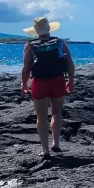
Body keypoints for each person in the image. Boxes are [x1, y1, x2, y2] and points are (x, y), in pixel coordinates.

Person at [20, 17, 75, 158]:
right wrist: (70, 81)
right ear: (49, 29)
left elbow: (26, 69)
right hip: (58, 80)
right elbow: (70, 63)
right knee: (57, 113)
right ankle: (56, 143)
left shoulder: (30, 45)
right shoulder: (60, 43)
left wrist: (24, 83)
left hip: (39, 82)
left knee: (41, 116)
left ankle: (45, 150)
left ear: (36, 31)